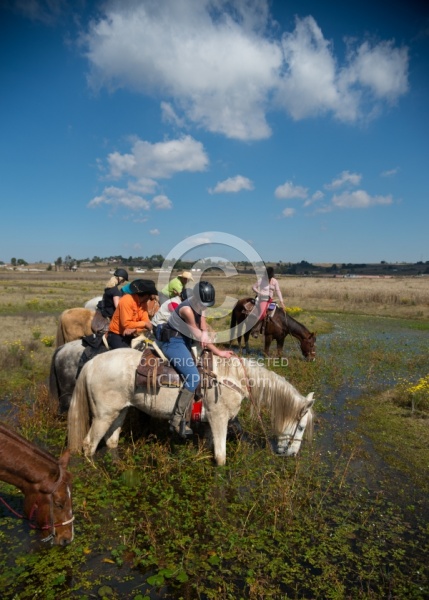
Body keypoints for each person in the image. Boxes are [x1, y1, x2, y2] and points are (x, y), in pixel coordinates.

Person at [160, 281, 235, 438]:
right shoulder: (187, 310)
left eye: (208, 304)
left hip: (185, 340)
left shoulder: (201, 307)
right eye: (203, 303)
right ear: (195, 298)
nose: (206, 307)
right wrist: (218, 352)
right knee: (194, 377)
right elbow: (198, 335)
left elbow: (203, 326)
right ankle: (175, 420)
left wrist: (206, 332)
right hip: (173, 342)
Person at [107, 279, 158, 349]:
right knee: (126, 355)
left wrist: (135, 329)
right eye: (149, 296)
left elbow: (146, 321)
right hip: (117, 334)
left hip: (132, 333)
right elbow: (126, 324)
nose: (150, 298)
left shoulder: (144, 304)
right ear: (146, 295)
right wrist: (144, 324)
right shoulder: (127, 300)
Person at [251, 266, 285, 337]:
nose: (269, 279)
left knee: (275, 314)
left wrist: (282, 302)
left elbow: (278, 291)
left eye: (270, 277)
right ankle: (255, 329)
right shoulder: (261, 280)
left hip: (270, 300)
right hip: (262, 299)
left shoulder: (275, 281)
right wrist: (259, 292)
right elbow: (253, 287)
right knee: (263, 314)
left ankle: (269, 329)